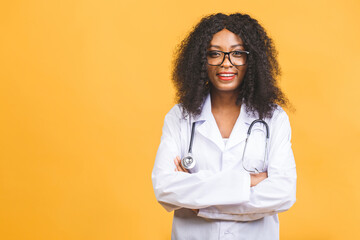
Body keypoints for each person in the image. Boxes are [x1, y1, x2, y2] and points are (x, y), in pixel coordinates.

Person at [152, 13, 297, 240]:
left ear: (252, 60)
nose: (226, 62)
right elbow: (165, 188)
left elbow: (283, 194)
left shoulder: (273, 118)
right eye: (214, 53)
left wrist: (200, 206)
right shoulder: (180, 117)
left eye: (237, 53)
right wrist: (249, 182)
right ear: (201, 60)